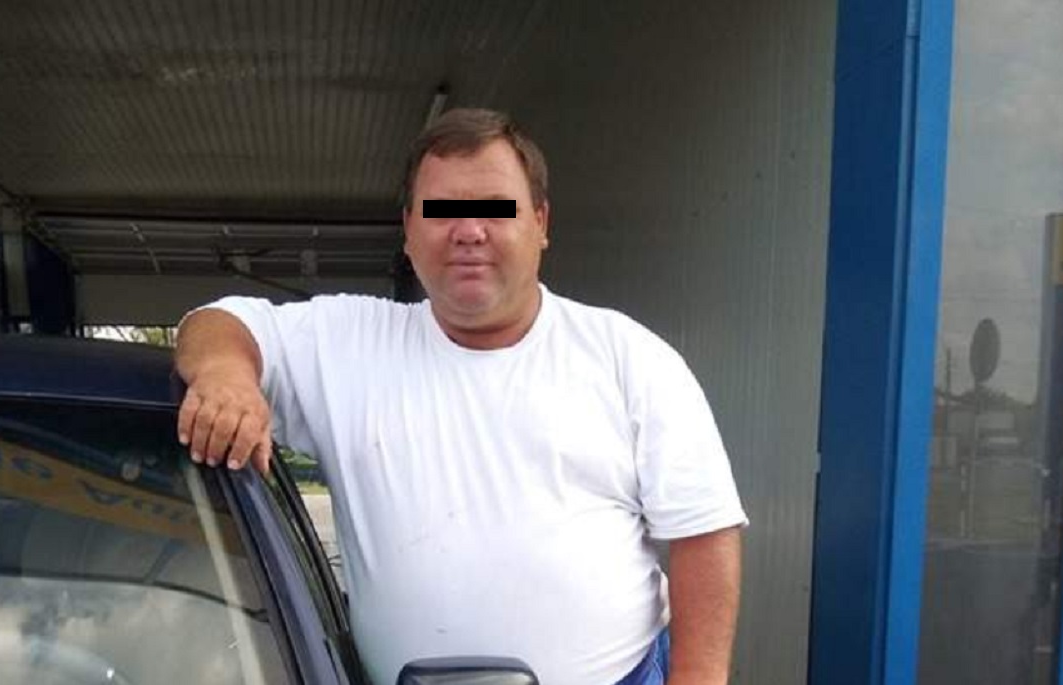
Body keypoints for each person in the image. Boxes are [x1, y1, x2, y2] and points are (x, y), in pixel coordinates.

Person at [174, 108, 747, 685]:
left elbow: (703, 531)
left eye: (497, 209)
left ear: (541, 222)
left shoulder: (629, 357)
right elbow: (216, 321)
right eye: (440, 210)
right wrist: (226, 373)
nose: (469, 231)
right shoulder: (348, 344)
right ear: (408, 230)